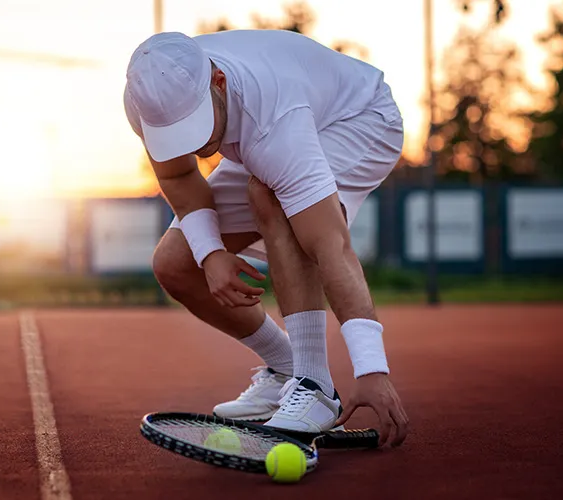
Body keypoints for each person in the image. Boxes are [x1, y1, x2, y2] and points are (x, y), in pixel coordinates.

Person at [123, 29, 409, 447]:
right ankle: (286, 367)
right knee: (176, 265)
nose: (197, 143)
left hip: (360, 119)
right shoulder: (149, 96)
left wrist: (372, 370)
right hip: (268, 131)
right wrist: (212, 254)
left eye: (197, 124)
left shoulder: (274, 117)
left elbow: (330, 245)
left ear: (217, 81)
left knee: (272, 197)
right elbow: (180, 174)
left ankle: (315, 387)